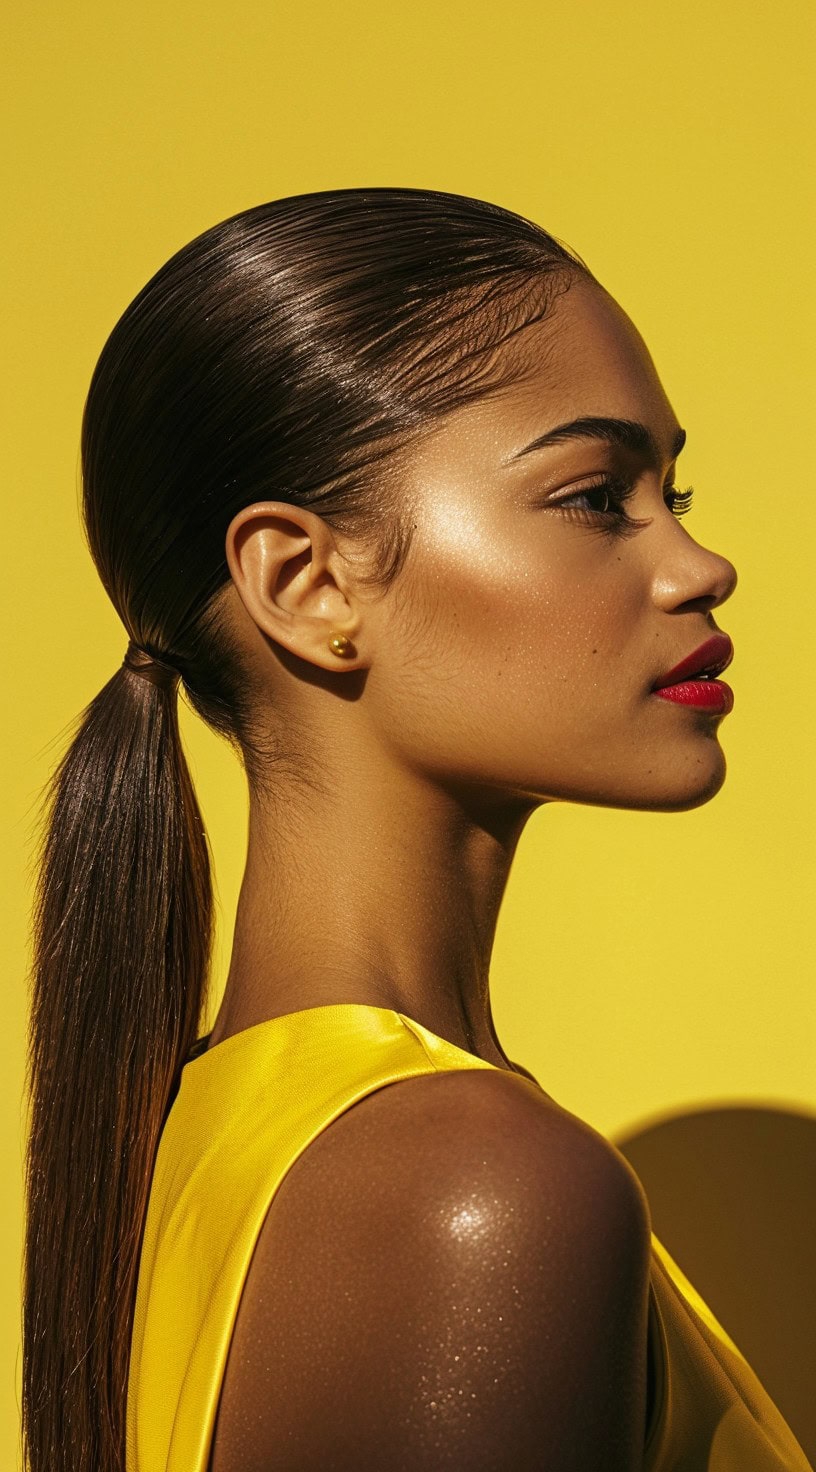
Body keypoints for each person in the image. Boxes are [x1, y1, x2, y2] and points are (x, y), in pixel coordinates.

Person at [23, 188, 812, 1472]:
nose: (697, 564)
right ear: (308, 582)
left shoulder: (212, 1136)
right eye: (596, 496)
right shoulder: (479, 1194)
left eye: (675, 487)